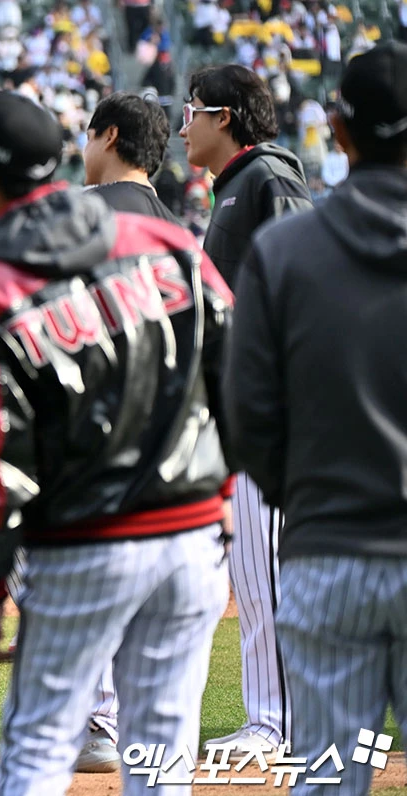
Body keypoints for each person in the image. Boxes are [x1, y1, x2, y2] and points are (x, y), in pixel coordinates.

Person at [0, 89, 233, 795]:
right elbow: (241, 369)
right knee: (161, 757)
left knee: (38, 745)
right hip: (192, 540)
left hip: (83, 544)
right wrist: (218, 494)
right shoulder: (163, 242)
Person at [224, 41, 407, 795]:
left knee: (330, 782)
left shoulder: (284, 248)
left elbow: (247, 418)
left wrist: (303, 495)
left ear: (337, 131)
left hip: (327, 548)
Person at [180, 63, 314, 754]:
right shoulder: (237, 185)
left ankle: (277, 723)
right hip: (249, 418)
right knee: (258, 579)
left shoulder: (267, 177)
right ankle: (281, 716)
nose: (183, 125)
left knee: (267, 578)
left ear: (224, 116)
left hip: (277, 419)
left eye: (192, 110)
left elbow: (307, 282)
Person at [84, 91, 180, 224]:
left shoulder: (86, 209)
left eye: (89, 138)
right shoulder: (175, 227)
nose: (85, 149)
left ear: (110, 135)